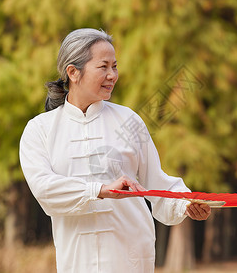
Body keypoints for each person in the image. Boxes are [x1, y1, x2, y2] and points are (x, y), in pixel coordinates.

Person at [19, 28, 211, 273]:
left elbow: (157, 183)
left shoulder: (128, 121)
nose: (112, 75)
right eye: (103, 67)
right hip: (77, 261)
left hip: (131, 257)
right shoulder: (40, 130)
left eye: (115, 67)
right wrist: (100, 190)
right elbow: (45, 189)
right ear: (73, 72)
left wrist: (186, 204)